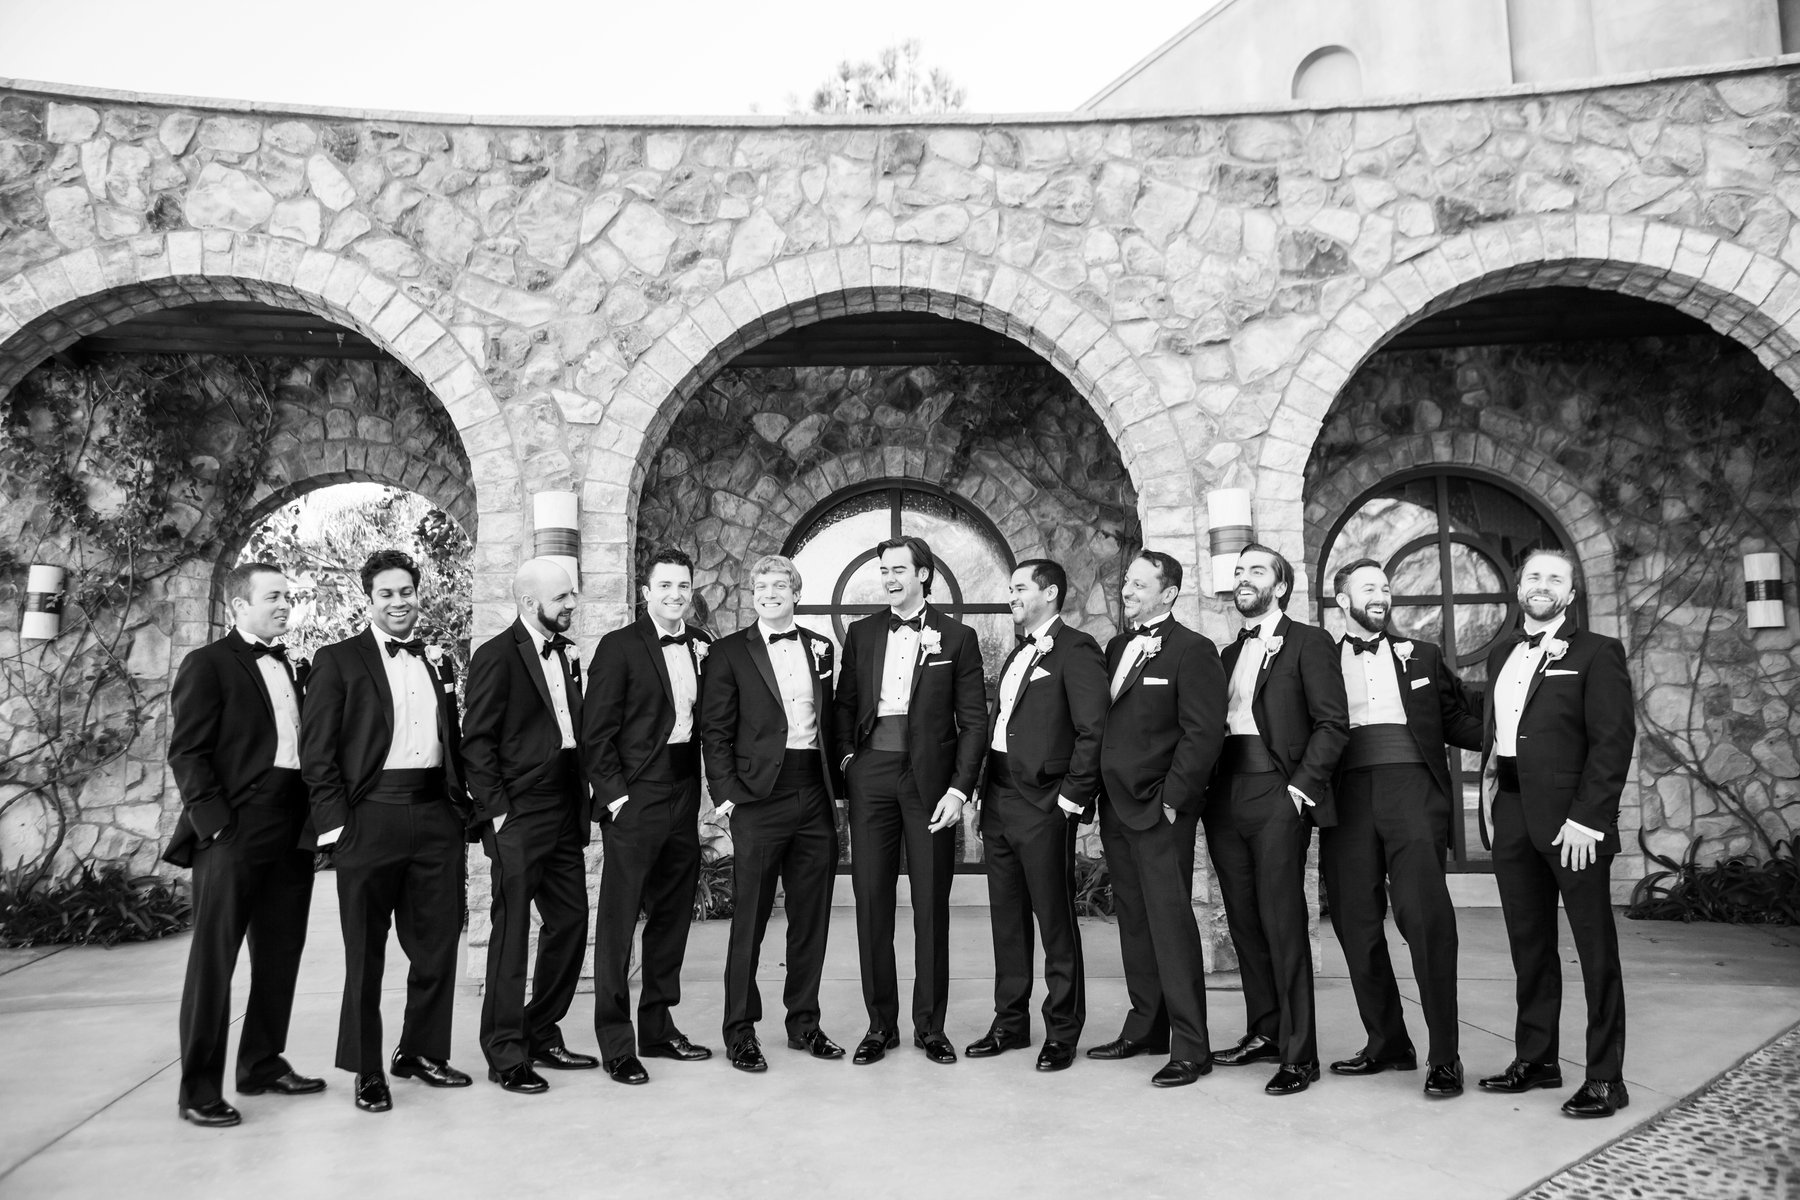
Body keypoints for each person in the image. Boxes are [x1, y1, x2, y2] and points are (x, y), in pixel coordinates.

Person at [300, 549, 476, 1113]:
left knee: (437, 945)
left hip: (434, 815)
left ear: (417, 594)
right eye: (387, 594)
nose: (399, 602)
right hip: (369, 819)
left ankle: (421, 1052)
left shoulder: (436, 661)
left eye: (406, 592)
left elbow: (452, 740)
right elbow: (317, 754)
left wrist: (460, 809)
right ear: (369, 599)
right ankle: (367, 1068)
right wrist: (336, 829)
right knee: (365, 952)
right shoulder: (337, 660)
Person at [1476, 548, 1635, 1119]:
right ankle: (1538, 1058)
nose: (1542, 585)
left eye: (1555, 578)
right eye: (1533, 576)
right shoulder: (1501, 654)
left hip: (1574, 824)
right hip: (1512, 813)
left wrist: (1589, 818)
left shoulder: (1598, 652)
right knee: (1530, 945)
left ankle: (1606, 1078)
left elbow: (1612, 741)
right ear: (1519, 587)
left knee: (1595, 950)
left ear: (1570, 593)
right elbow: (1499, 732)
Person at [165, 562, 323, 1127]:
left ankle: (261, 1063)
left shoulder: (295, 666)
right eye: (273, 596)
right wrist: (216, 826)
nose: (284, 605)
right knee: (215, 962)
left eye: (288, 597)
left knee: (280, 954)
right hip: (233, 831)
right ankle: (198, 1090)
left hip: (291, 828)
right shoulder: (207, 664)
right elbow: (188, 752)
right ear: (239, 605)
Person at [1322, 558, 1483, 1098]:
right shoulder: (1320, 658)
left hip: (1412, 790)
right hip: (1346, 795)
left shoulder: (1423, 655)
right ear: (1342, 599)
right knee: (1354, 921)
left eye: (1386, 587)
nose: (1381, 594)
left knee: (1424, 917)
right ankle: (1387, 1041)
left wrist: (1520, 731)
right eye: (1368, 587)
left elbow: (1454, 719)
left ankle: (1445, 1057)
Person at [832, 535, 986, 1066]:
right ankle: (880, 1025)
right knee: (872, 901)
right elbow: (844, 706)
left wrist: (959, 789)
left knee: (931, 905)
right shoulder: (863, 633)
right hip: (871, 774)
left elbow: (973, 721)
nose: (889, 578)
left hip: (931, 785)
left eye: (899, 569)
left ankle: (930, 1026)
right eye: (884, 570)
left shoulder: (958, 637)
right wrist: (849, 764)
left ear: (923, 574)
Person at [1206, 543, 1348, 1095]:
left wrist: (1298, 791)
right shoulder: (1226, 654)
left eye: (1257, 570)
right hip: (1226, 795)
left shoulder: (1309, 642)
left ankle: (1300, 1053)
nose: (1244, 577)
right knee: (1243, 921)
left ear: (1281, 586)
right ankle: (1264, 1032)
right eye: (1239, 570)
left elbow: (1332, 724)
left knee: (1283, 922)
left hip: (1277, 791)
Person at [698, 555, 845, 1072]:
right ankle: (740, 1031)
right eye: (760, 585)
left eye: (779, 584)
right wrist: (728, 797)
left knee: (811, 918)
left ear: (796, 593)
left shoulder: (822, 647)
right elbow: (715, 731)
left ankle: (804, 1023)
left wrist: (840, 789)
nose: (768, 592)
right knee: (751, 919)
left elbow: (833, 719)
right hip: (758, 799)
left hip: (814, 794)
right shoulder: (728, 652)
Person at [1088, 550, 1227, 1088]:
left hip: (1159, 809)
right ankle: (1146, 1027)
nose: (1128, 590)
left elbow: (1203, 732)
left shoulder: (1193, 650)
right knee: (1135, 922)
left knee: (1170, 925)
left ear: (1168, 593)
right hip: (1116, 807)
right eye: (1127, 581)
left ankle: (1192, 1047)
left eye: (1140, 583)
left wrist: (1173, 799)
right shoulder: (1117, 647)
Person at [462, 558, 600, 1095]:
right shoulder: (496, 656)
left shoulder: (567, 653)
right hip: (519, 812)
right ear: (528, 601)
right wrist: (498, 813)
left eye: (572, 594)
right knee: (512, 932)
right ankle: (504, 1052)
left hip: (565, 806)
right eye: (562, 596)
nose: (572, 604)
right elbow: (477, 742)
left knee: (570, 922)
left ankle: (540, 1030)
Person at [967, 559, 1108, 1072]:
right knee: (1006, 921)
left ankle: (1062, 1032)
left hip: (1045, 804)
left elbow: (1093, 729)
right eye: (1010, 588)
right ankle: (1009, 1023)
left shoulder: (1078, 649)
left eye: (1020, 587)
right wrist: (982, 792)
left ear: (1050, 593)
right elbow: (1002, 726)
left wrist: (1071, 798)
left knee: (1055, 923)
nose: (1012, 595)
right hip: (999, 801)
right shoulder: (1016, 652)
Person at [581, 547, 714, 1085]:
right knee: (619, 922)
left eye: (683, 585)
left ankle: (657, 1029)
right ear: (646, 592)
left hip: (684, 791)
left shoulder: (703, 644)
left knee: (672, 915)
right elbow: (595, 733)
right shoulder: (618, 647)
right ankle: (617, 1042)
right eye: (665, 586)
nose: (675, 595)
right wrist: (617, 799)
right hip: (636, 796)